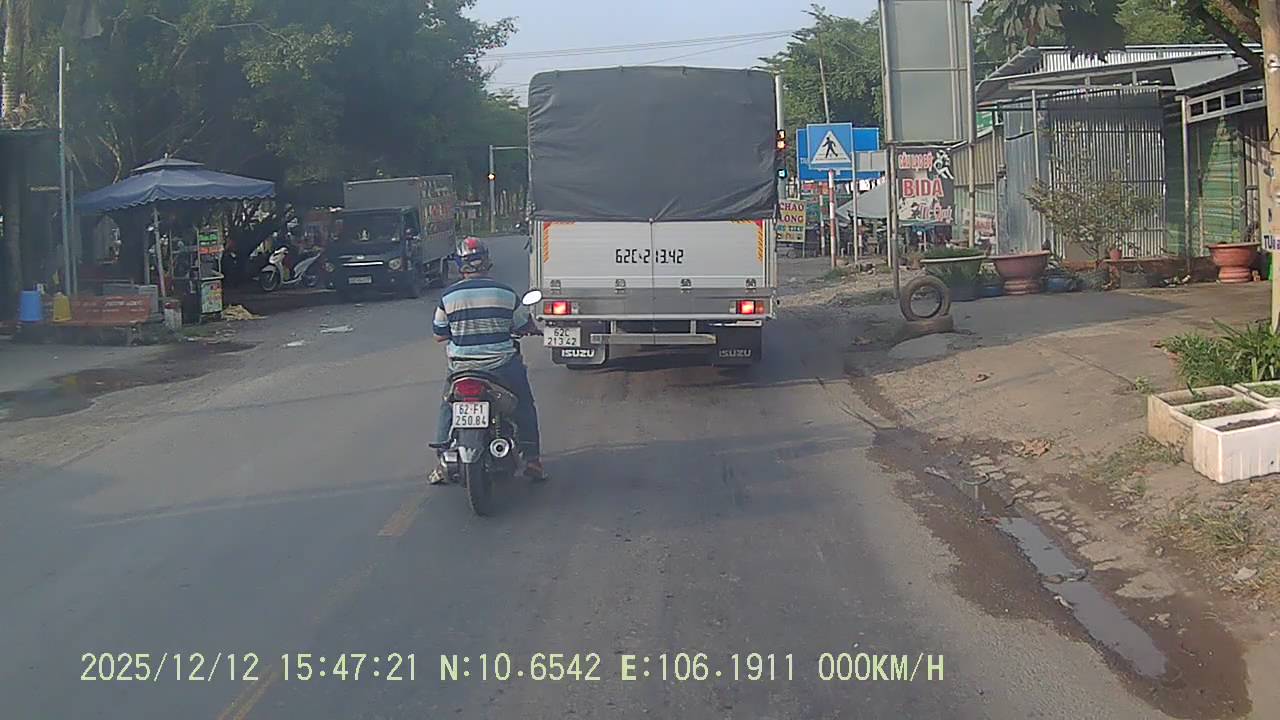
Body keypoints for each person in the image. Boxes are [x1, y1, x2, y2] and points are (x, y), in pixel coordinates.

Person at [430, 237, 545, 483]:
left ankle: (441, 456)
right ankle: (532, 459)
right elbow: (522, 325)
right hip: (501, 366)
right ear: (486, 262)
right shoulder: (505, 293)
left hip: (462, 367)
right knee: (524, 405)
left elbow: (439, 334)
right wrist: (532, 329)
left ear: (460, 264)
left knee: (447, 404)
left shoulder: (448, 297)